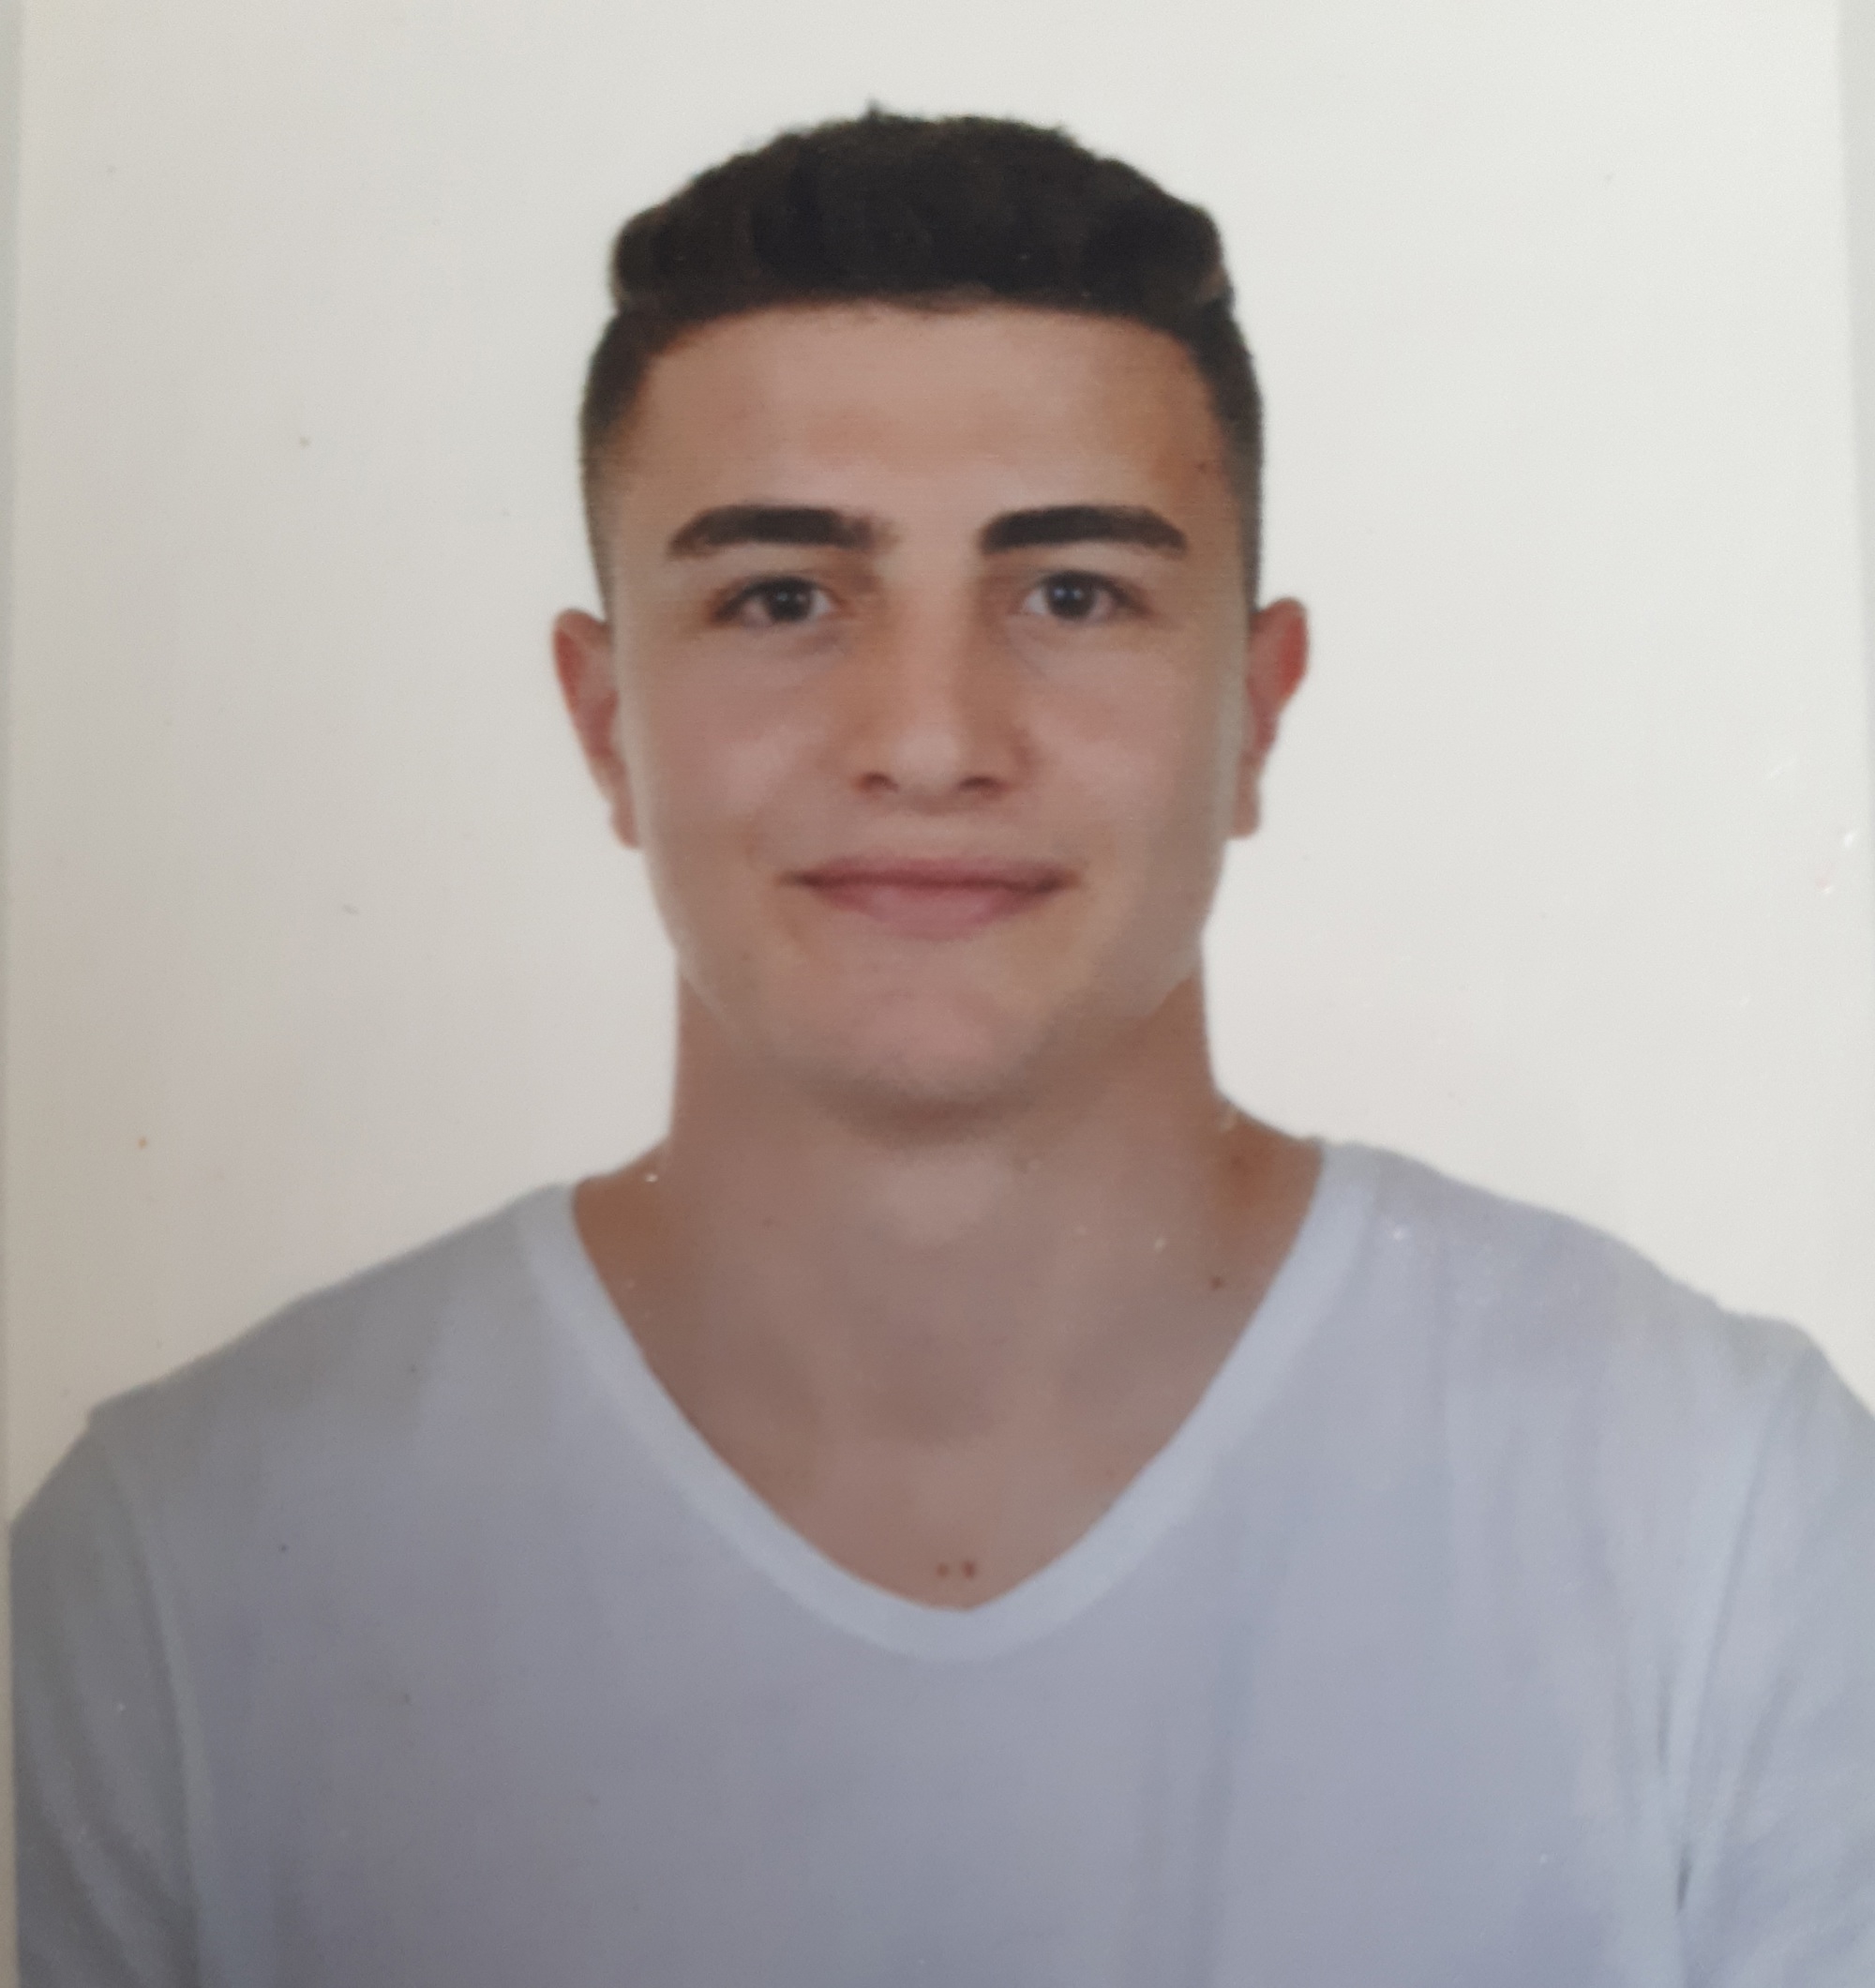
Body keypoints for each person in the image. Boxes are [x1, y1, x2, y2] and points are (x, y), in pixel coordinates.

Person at [13, 109, 1875, 1987]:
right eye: (781, 597)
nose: (926, 739)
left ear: (1254, 708)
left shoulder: (1720, 1515)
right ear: (602, 720)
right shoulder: (170, 1580)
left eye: (1070, 593)